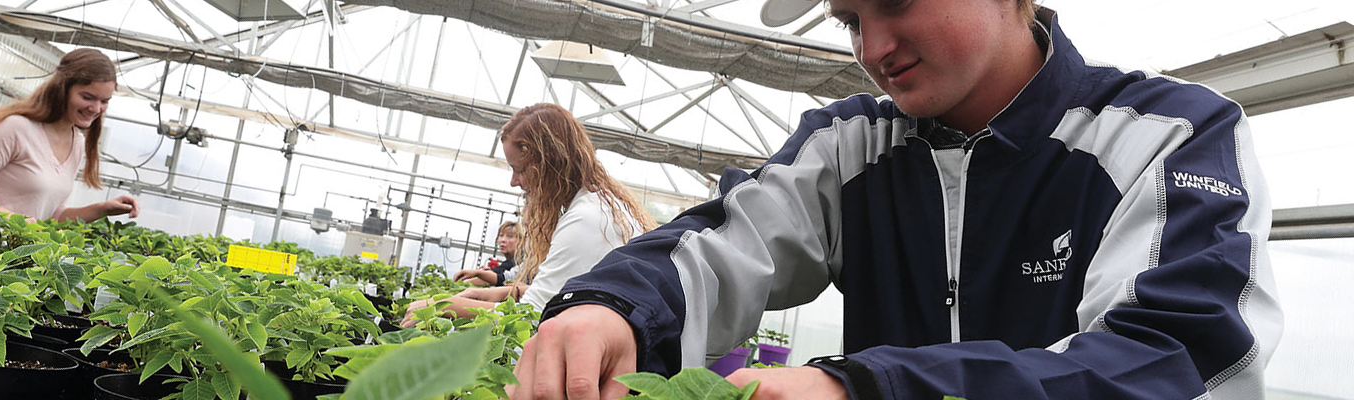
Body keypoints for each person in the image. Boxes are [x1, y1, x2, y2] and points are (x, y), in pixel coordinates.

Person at [513, 1, 1280, 400]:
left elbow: (1175, 362)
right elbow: (722, 241)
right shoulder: (851, 146)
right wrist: (610, 308)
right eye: (850, 18)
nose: (873, 48)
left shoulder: (1164, 135)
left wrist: (878, 388)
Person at [401, 103, 657, 326]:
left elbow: (535, 315)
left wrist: (444, 307)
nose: (514, 181)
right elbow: (568, 294)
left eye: (520, 170)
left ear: (550, 164)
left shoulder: (587, 220)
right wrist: (507, 292)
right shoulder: (596, 205)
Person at [0, 48, 140, 222]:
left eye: (104, 101)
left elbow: (52, 215)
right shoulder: (15, 128)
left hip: (18, 255)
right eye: (87, 97)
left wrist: (101, 209)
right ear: (62, 89)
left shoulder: (77, 142)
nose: (96, 108)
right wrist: (14, 220)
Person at [454, 221, 521, 287]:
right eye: (501, 236)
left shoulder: (518, 262)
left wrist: (460, 283)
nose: (503, 240)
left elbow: (495, 279)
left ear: (521, 241)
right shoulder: (509, 262)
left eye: (509, 236)